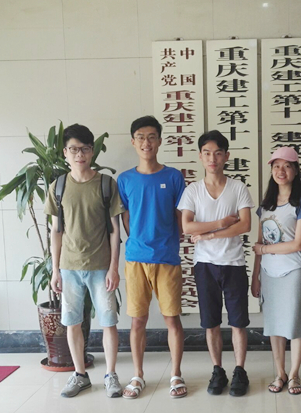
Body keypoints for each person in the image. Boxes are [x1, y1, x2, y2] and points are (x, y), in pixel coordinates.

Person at [47, 124, 125, 398]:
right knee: (72, 322)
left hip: (101, 266)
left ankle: (111, 375)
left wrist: (114, 267)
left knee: (108, 322)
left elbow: (115, 230)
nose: (79, 154)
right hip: (69, 267)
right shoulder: (58, 186)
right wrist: (55, 270)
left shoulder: (106, 184)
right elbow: (56, 231)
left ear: (92, 151)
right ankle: (80, 374)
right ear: (65, 152)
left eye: (85, 149)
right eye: (74, 149)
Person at [177, 130, 254, 397]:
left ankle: (240, 371)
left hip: (234, 263)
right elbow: (187, 226)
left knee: (238, 322)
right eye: (207, 153)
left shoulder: (238, 188)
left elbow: (245, 225)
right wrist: (221, 223)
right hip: (204, 265)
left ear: (226, 156)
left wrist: (209, 234)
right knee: (210, 322)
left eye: (218, 153)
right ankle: (218, 370)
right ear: (200, 156)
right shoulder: (193, 190)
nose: (212, 158)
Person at [117, 116, 187, 399]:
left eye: (151, 137)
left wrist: (172, 241)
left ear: (159, 140)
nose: (146, 142)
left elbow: (181, 216)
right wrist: (138, 240)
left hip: (167, 258)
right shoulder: (125, 179)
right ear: (133, 142)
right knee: (137, 321)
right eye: (141, 137)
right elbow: (126, 218)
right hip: (135, 259)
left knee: (172, 319)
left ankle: (176, 375)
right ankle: (138, 375)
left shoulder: (173, 177)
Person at [250, 147, 301, 396]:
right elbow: (258, 244)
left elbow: (297, 244)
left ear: (296, 171)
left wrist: (265, 250)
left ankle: (295, 374)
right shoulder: (265, 206)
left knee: (296, 325)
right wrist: (255, 276)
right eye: (276, 166)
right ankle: (280, 373)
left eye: (287, 166)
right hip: (269, 274)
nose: (281, 171)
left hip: (294, 271)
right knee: (274, 326)